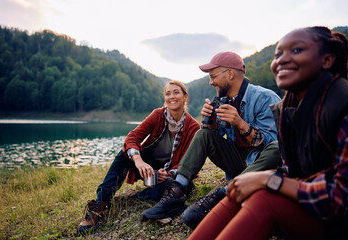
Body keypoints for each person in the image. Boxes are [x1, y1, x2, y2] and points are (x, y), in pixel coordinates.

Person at [188, 26, 348, 240]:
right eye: (278, 54)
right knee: (241, 189)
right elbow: (295, 168)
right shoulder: (292, 104)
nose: (282, 60)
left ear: (327, 60)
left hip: (336, 217)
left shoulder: (342, 106)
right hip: (309, 203)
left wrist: (270, 180)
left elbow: (341, 198)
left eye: (297, 50)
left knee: (263, 199)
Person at [142, 51, 282, 227]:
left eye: (213, 76)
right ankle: (176, 193)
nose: (210, 82)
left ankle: (221, 196)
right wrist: (211, 125)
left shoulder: (265, 98)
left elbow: (274, 145)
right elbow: (217, 139)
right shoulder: (224, 101)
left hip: (261, 169)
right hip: (239, 165)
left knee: (277, 147)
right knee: (203, 134)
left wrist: (240, 124)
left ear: (230, 74)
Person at [78, 80, 200, 234]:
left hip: (165, 175)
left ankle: (133, 197)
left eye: (176, 92)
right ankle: (101, 204)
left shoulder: (193, 127)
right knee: (125, 154)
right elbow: (132, 138)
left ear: (185, 97)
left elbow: (189, 162)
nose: (172, 96)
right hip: (145, 169)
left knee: (174, 187)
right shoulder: (158, 115)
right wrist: (138, 160)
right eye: (168, 93)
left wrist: (168, 173)